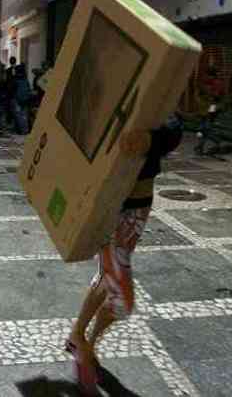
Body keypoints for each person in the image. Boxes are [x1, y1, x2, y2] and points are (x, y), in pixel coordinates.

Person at [65, 116, 183, 395]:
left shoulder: (155, 92)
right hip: (109, 202)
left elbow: (174, 126)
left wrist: (151, 140)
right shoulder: (105, 83)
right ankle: (81, 340)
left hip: (139, 203)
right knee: (121, 297)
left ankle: (83, 340)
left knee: (108, 275)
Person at [5, 57, 29, 135]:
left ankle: (21, 130)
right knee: (24, 115)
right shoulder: (25, 80)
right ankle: (25, 129)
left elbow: (11, 89)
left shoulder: (15, 80)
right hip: (25, 98)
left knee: (18, 115)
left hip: (16, 98)